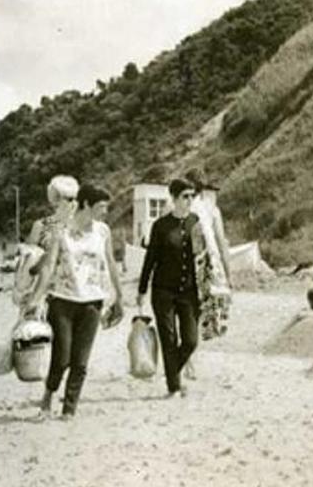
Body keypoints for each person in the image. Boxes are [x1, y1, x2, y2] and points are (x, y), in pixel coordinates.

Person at [31, 183, 123, 420]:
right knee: (62, 358)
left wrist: (119, 296)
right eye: (101, 207)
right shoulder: (61, 232)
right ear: (85, 205)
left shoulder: (103, 231)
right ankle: (49, 394)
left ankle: (69, 410)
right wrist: (36, 298)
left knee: (80, 362)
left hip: (93, 302)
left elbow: (111, 264)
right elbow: (49, 265)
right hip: (62, 301)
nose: (105, 212)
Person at [136, 178, 203, 398]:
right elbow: (150, 259)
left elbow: (203, 258)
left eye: (192, 196)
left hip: (190, 291)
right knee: (169, 339)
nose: (190, 200)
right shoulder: (160, 226)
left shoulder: (196, 222)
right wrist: (142, 289)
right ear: (173, 199)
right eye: (185, 196)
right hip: (163, 291)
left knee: (191, 340)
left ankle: (172, 373)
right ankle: (174, 386)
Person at [14, 175, 79, 321]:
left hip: (74, 293)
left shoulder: (80, 227)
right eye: (68, 198)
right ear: (55, 200)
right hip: (44, 293)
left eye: (74, 198)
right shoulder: (41, 226)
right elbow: (30, 264)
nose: (73, 202)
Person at [187, 170, 232, 344]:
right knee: (202, 312)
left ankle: (189, 353)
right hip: (208, 267)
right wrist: (228, 275)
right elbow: (221, 244)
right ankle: (193, 348)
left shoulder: (177, 207)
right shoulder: (211, 210)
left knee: (187, 312)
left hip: (188, 264)